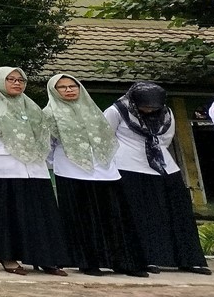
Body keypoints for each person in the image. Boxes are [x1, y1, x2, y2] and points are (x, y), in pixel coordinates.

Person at [0, 66, 70, 276]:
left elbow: (43, 136)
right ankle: (8, 256)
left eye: (20, 79)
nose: (16, 83)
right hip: (0, 171)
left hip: (35, 170)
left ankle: (45, 258)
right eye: (10, 79)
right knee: (6, 216)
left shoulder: (31, 107)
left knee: (39, 215)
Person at [42, 74, 148, 277]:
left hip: (105, 171)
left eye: (73, 85)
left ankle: (123, 262)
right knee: (83, 219)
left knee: (114, 217)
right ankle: (88, 262)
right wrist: (61, 162)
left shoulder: (92, 110)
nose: (69, 90)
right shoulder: (49, 114)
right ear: (54, 91)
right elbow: (47, 145)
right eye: (62, 87)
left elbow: (107, 137)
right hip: (72, 171)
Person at [105, 81, 211, 275]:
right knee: (141, 215)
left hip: (164, 167)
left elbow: (166, 139)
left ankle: (188, 259)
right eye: (145, 106)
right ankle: (147, 258)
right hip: (129, 167)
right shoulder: (116, 110)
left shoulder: (167, 113)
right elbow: (105, 136)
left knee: (178, 213)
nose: (150, 110)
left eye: (154, 107)